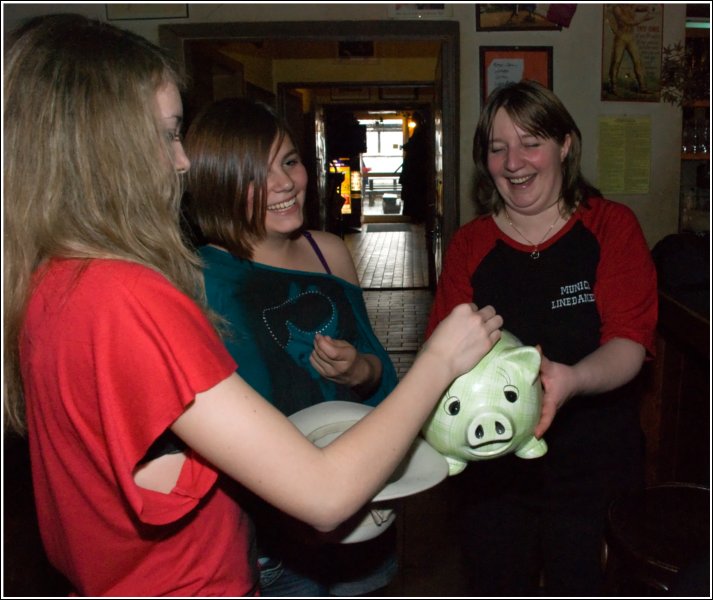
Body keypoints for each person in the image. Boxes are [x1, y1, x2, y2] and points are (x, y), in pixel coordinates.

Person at [3, 13, 504, 597]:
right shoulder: (127, 295)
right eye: (167, 134)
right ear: (106, 145)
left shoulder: (52, 283)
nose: (183, 162)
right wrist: (440, 360)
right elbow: (322, 494)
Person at [426, 80, 657, 596]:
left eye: (531, 141)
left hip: (593, 467)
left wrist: (570, 379)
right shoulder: (470, 245)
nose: (514, 162)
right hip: (493, 476)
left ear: (565, 145)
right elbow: (438, 360)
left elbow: (629, 345)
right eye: (497, 147)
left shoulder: (611, 228)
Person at [182, 97, 399, 596]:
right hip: (270, 546)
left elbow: (382, 379)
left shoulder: (330, 251)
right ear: (218, 183)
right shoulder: (194, 279)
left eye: (289, 161)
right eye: (256, 173)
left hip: (365, 517)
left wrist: (357, 371)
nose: (283, 184)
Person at [607, 4, 654, 95]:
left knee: (637, 61)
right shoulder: (617, 8)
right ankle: (613, 86)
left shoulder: (632, 5)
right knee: (616, 62)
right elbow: (628, 22)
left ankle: (642, 86)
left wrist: (648, 8)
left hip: (630, 37)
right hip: (621, 36)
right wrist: (644, 19)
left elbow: (643, 7)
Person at [399, 111, 429, 224]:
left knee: (414, 196)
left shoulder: (420, 133)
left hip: (414, 174)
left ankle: (417, 216)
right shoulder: (422, 132)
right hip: (415, 173)